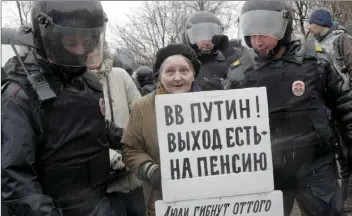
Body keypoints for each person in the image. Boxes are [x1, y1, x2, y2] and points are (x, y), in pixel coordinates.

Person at [224, 1, 352, 216]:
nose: (258, 42)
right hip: (267, 169)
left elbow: (344, 105)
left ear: (283, 28)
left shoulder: (315, 61)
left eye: (264, 34)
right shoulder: (239, 74)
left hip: (315, 163)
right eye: (252, 35)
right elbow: (226, 125)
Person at [1, 1, 121, 215]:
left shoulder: (87, 82)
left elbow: (95, 126)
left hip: (97, 203)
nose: (80, 50)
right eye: (70, 41)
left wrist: (133, 138)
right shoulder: (20, 95)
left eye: (87, 41)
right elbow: (16, 177)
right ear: (49, 38)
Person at [121, 44, 201, 216]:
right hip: (161, 200)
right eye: (170, 72)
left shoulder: (213, 103)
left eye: (184, 71)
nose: (177, 78)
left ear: (194, 75)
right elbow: (130, 149)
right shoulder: (143, 106)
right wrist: (152, 172)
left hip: (207, 199)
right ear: (159, 77)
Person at [88, 41, 145, 216]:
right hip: (98, 188)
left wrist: (133, 149)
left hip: (132, 178)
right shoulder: (74, 82)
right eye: (87, 48)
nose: (92, 53)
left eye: (96, 47)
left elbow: (141, 114)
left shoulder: (120, 75)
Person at [180, 11, 229, 91]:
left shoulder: (228, 62)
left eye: (211, 36)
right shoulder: (180, 65)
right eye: (200, 36)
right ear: (189, 37)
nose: (207, 42)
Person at [308, 8, 352, 86]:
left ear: (320, 22)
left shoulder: (343, 39)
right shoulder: (314, 43)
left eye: (311, 23)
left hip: (344, 94)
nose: (309, 27)